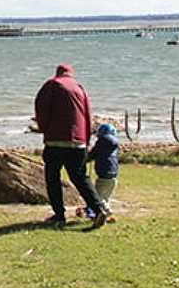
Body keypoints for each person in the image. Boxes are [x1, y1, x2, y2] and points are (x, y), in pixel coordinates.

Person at [34, 64, 107, 228]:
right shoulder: (80, 88)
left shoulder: (52, 85)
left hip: (55, 140)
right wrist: (86, 141)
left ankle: (59, 215)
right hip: (79, 141)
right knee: (80, 177)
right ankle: (99, 208)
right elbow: (88, 115)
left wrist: (43, 128)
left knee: (53, 178)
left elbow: (41, 107)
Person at [85, 123, 119, 222]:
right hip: (113, 176)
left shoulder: (101, 142)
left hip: (103, 175)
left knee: (97, 198)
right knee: (106, 197)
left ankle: (106, 212)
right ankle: (105, 215)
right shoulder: (115, 145)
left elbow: (93, 154)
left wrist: (85, 159)